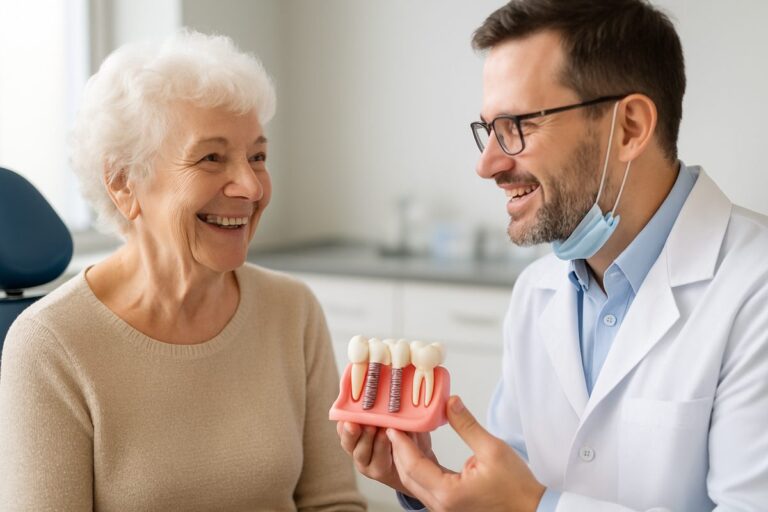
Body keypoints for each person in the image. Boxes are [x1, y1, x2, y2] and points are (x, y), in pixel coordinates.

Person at [338, 1, 768, 511]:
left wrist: (535, 506)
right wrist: (425, 485)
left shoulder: (754, 288)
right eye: (489, 130)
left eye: (516, 126)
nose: (487, 165)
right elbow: (508, 486)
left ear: (629, 127)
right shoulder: (536, 291)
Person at [0, 30, 366, 511]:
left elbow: (332, 502)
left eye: (257, 157)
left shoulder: (292, 309)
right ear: (124, 182)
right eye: (211, 158)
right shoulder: (51, 345)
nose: (251, 187)